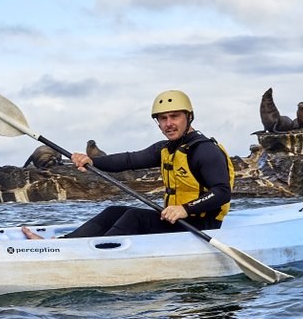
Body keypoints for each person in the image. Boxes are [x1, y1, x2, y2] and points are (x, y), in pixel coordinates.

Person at [22, 90, 234, 239]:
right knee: (114, 211)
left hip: (201, 225)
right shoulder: (166, 149)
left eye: (174, 117)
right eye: (162, 119)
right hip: (178, 221)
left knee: (135, 217)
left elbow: (222, 192)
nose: (168, 123)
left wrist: (184, 209)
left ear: (189, 117)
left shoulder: (204, 150)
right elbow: (128, 160)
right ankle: (63, 247)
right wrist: (92, 160)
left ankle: (97, 257)